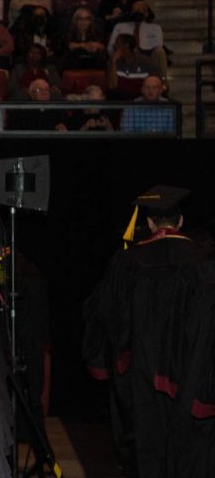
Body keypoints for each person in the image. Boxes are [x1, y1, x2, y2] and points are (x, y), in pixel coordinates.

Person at [83, 186, 212, 478]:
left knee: (145, 447)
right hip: (187, 378)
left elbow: (106, 313)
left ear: (150, 223)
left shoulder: (127, 261)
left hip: (140, 376)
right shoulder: (202, 261)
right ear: (180, 221)